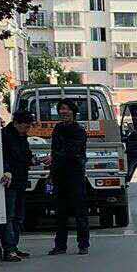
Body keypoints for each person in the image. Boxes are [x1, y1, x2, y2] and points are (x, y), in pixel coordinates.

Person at [47, 99, 91, 256]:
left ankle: (83, 244)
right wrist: (52, 171)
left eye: (66, 109)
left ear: (73, 112)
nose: (63, 112)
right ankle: (60, 246)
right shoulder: (58, 128)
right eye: (61, 109)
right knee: (60, 212)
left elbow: (73, 150)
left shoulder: (79, 130)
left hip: (75, 173)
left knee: (80, 211)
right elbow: (54, 149)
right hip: (59, 174)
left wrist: (55, 157)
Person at [0, 108, 33, 262]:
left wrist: (33, 160)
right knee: (9, 216)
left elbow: (25, 155)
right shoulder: (5, 136)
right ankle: (9, 249)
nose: (28, 129)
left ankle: (14, 246)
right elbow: (3, 156)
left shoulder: (21, 136)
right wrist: (7, 170)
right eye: (26, 126)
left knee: (18, 216)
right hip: (9, 181)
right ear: (17, 123)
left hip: (21, 179)